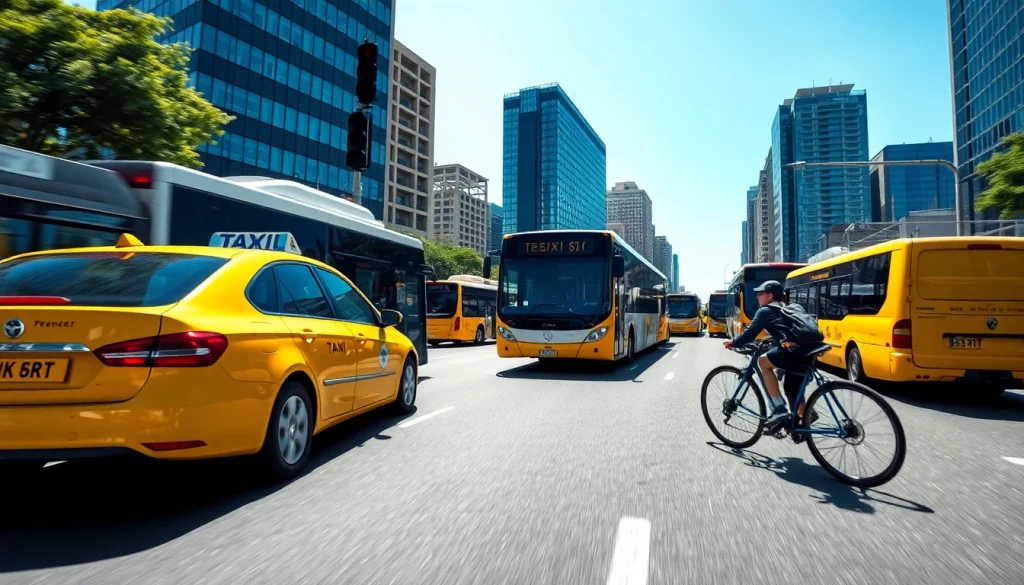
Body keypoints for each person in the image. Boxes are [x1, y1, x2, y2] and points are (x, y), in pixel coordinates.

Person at [723, 280, 815, 432]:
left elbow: (749, 334)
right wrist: (770, 339)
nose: (757, 296)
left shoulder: (765, 311)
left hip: (793, 352)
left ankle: (779, 409)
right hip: (807, 352)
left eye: (760, 293)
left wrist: (733, 342)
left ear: (770, 296)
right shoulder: (787, 309)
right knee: (792, 389)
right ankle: (803, 425)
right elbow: (785, 331)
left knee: (763, 362)